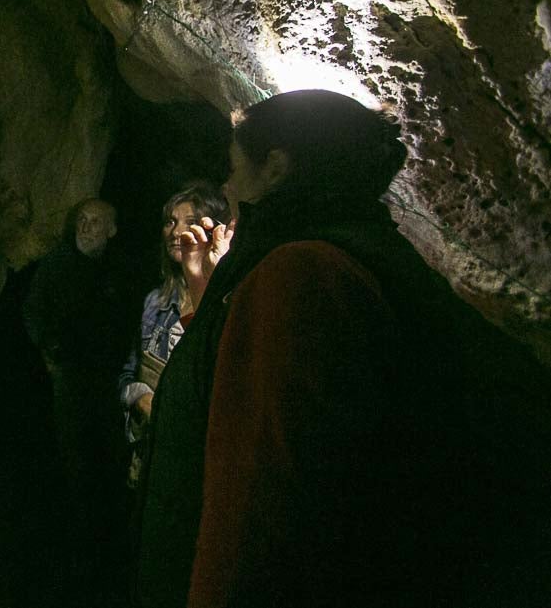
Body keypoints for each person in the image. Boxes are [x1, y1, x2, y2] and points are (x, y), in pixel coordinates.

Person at [134, 89, 551, 608]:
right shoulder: (366, 249)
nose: (227, 185)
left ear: (276, 169)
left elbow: (262, 502)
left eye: (235, 167)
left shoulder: (302, 275)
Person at [22, 198, 128, 601]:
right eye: (82, 220)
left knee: (107, 466)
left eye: (96, 221)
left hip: (110, 384)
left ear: (111, 230)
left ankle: (102, 556)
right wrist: (49, 352)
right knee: (71, 461)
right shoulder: (57, 264)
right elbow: (33, 310)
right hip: (69, 380)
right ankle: (70, 554)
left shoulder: (120, 271)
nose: (86, 227)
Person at [118, 183, 229, 485]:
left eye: (190, 222)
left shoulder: (226, 302)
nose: (176, 231)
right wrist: (141, 398)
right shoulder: (155, 302)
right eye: (170, 221)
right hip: (149, 455)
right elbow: (127, 374)